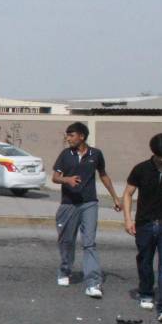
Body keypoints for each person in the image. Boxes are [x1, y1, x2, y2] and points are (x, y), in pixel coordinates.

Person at [52, 122, 122, 298]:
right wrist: (67, 180)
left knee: (89, 243)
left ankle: (93, 283)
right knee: (67, 241)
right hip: (68, 204)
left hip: (89, 203)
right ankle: (65, 270)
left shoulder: (95, 154)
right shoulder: (65, 154)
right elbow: (55, 177)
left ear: (82, 136)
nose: (68, 138)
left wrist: (115, 197)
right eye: (67, 135)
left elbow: (103, 175)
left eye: (71, 135)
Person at [122, 133, 162, 321]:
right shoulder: (141, 169)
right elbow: (128, 194)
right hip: (145, 224)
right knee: (145, 261)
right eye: (160, 157)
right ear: (154, 153)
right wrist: (128, 219)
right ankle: (146, 292)